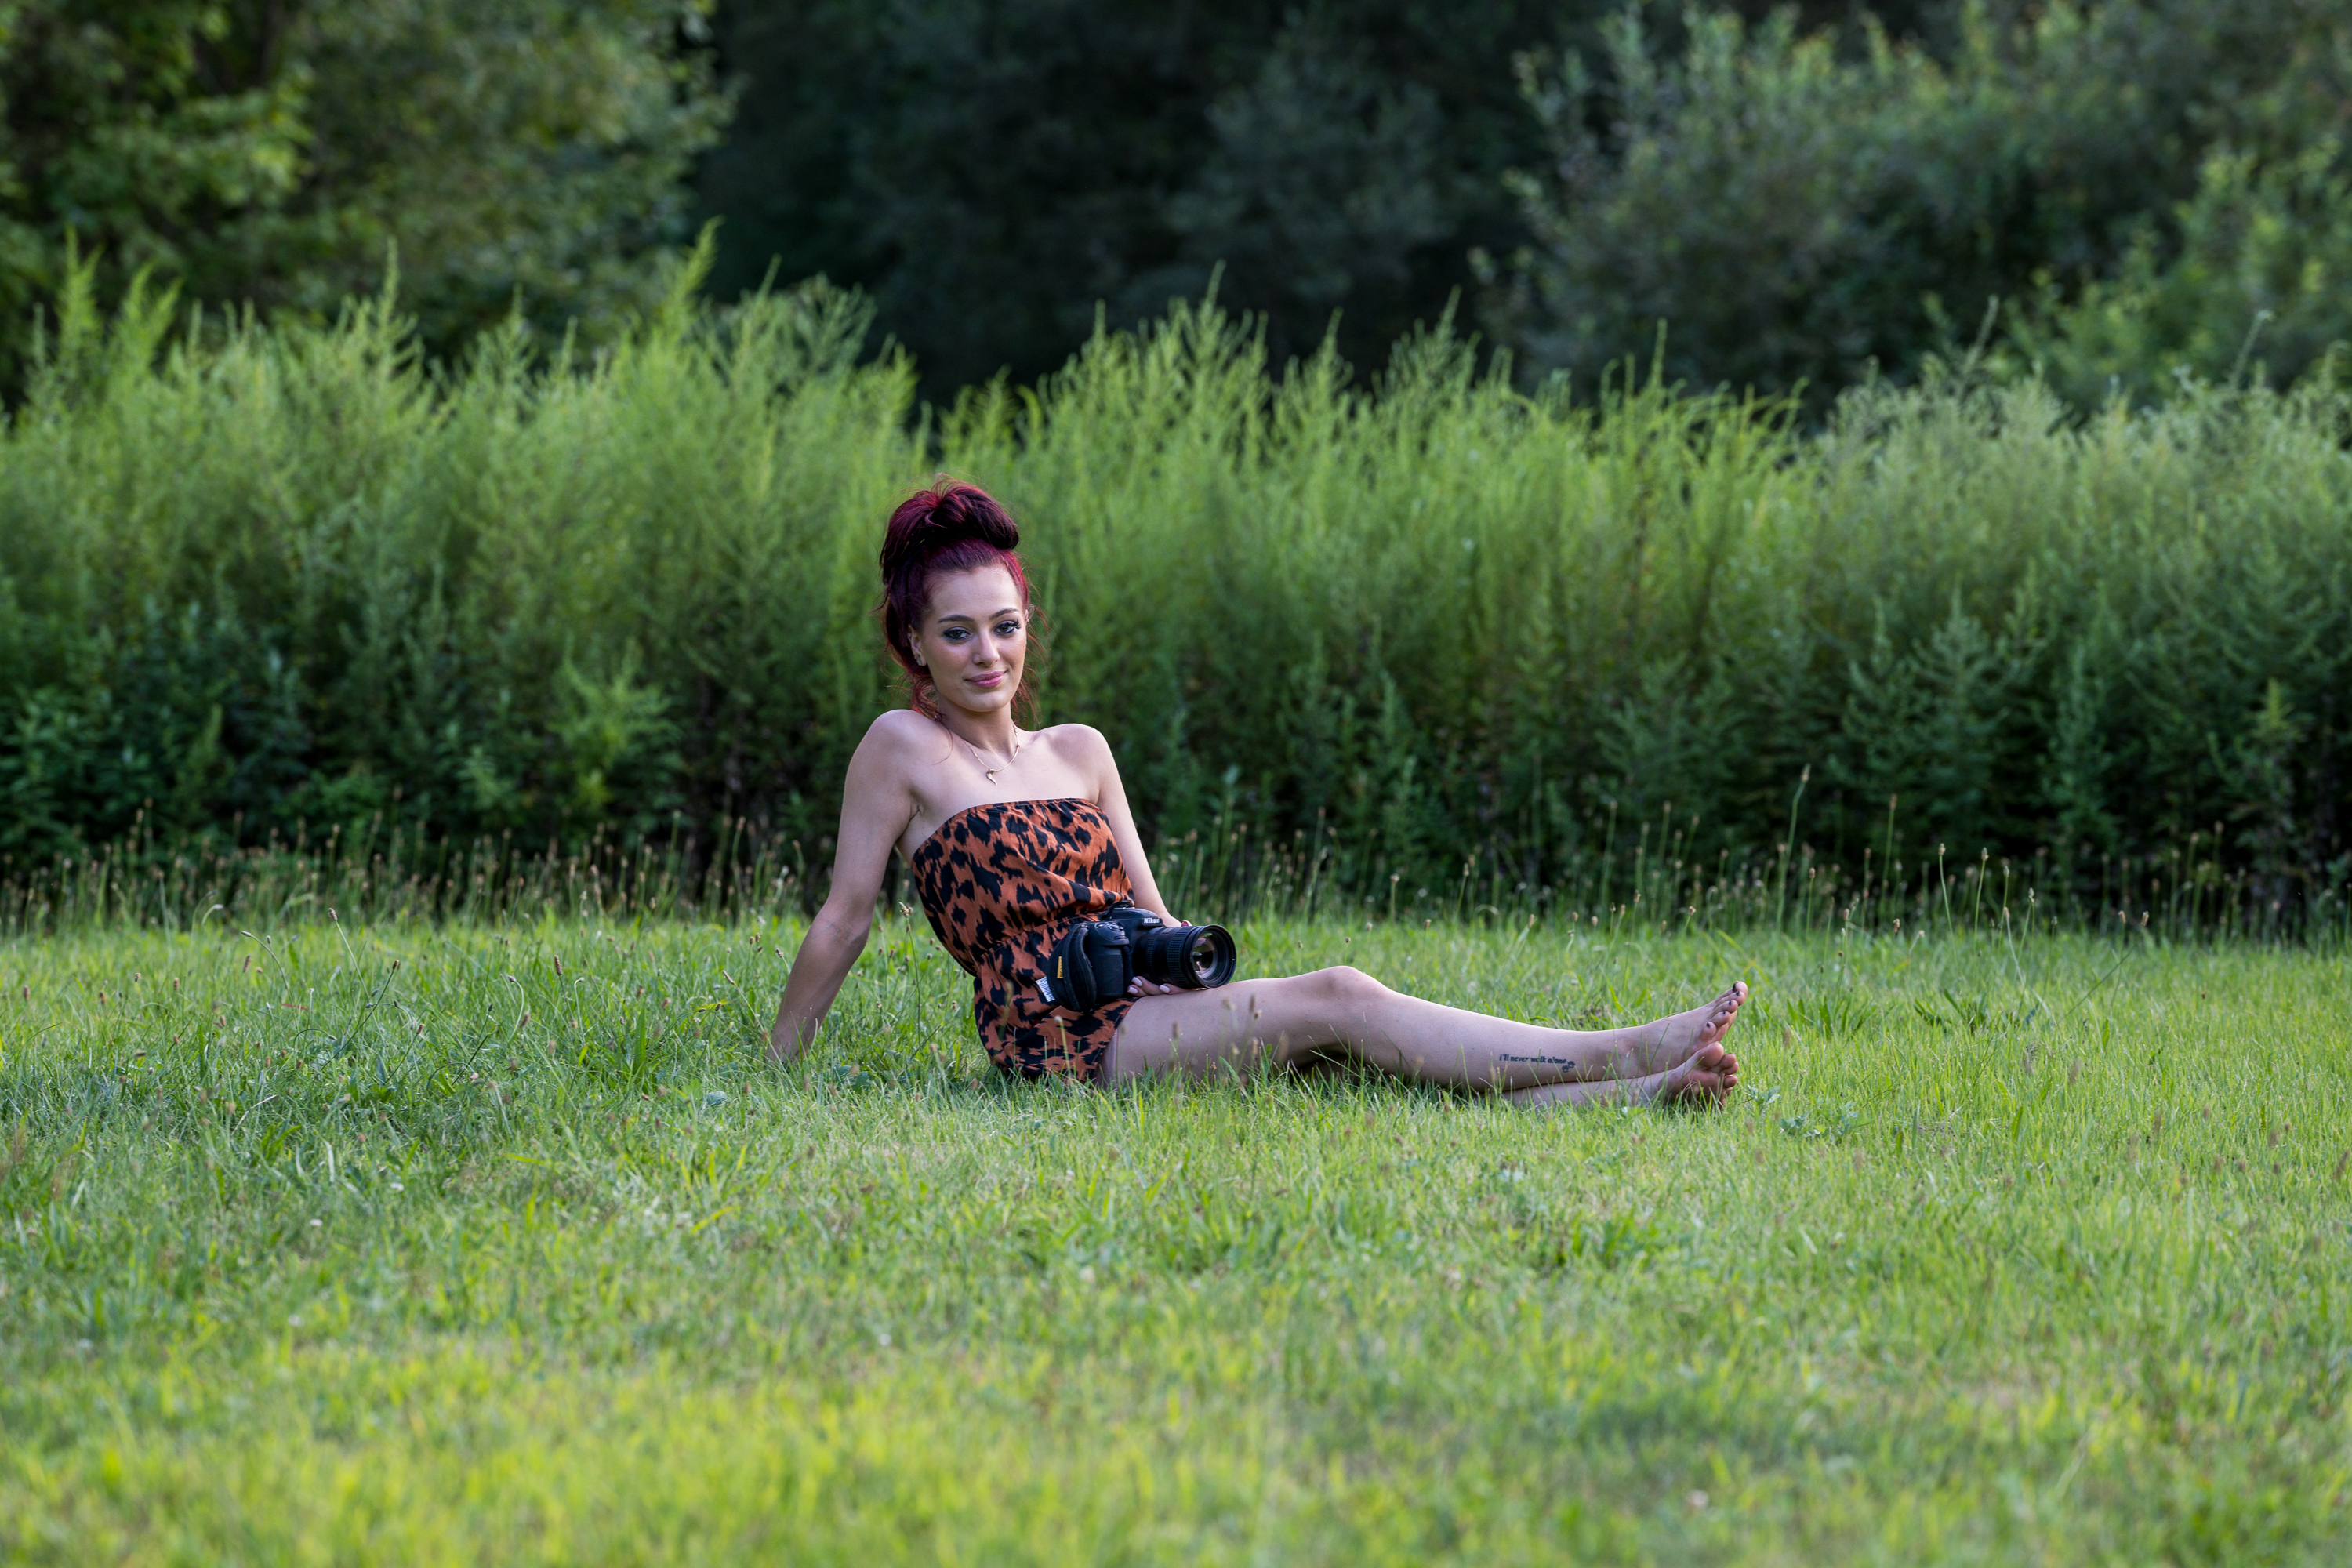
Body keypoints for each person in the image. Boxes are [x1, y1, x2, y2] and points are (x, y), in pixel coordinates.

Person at [771, 481, 1747, 1105]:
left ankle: (1639, 1092)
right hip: (1056, 1033)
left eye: (1005, 625)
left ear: (1029, 621)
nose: (988, 653)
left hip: (1144, 1007)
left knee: (1344, 1060)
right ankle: (1624, 1048)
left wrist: (1198, 978)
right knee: (1341, 994)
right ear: (913, 642)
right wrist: (778, 1068)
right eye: (957, 633)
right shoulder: (901, 746)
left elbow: (1156, 916)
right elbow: (845, 918)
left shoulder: (1080, 749)